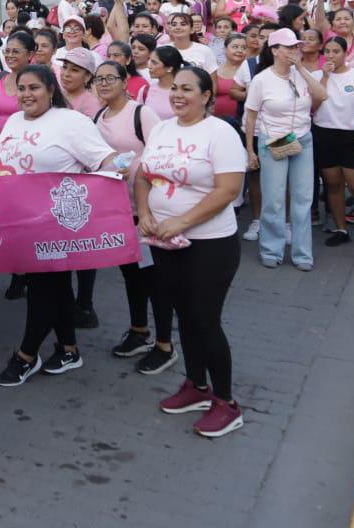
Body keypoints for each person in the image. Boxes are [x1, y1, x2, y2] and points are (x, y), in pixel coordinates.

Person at [136, 66, 247, 438]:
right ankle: (196, 386)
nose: (178, 94)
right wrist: (147, 214)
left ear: (206, 95)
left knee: (205, 320)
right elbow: (143, 176)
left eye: (187, 89)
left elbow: (227, 190)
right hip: (165, 242)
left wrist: (181, 222)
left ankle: (227, 403)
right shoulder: (163, 129)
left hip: (210, 245)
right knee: (184, 315)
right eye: (175, 88)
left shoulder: (220, 133)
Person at [0, 66, 117, 386]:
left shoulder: (70, 121)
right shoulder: (16, 121)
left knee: (43, 291)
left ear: (50, 89)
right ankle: (69, 349)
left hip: (56, 225)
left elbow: (106, 161)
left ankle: (26, 356)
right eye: (21, 88)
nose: (26, 94)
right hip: (19, 224)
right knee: (56, 288)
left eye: (34, 87)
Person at [92, 60, 176, 375]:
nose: (103, 84)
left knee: (155, 278)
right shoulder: (99, 117)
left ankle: (165, 344)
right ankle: (139, 330)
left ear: (125, 80)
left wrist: (137, 169)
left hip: (146, 210)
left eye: (110, 78)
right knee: (132, 274)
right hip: (117, 210)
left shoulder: (141, 114)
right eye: (98, 79)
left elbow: (161, 153)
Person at [242, 28, 327, 271]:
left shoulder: (301, 74)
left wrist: (301, 68)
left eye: (296, 47)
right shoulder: (262, 79)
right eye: (289, 47)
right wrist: (250, 150)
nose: (294, 51)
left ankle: (302, 253)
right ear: (275, 50)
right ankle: (271, 249)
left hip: (303, 138)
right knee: (274, 198)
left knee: (303, 197)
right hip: (273, 140)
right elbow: (251, 117)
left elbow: (322, 95)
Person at [313, 36, 354, 247]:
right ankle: (340, 229)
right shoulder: (317, 76)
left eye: (335, 51)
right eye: (327, 51)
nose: (330, 55)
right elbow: (314, 104)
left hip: (351, 135)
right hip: (324, 134)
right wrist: (325, 78)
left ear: (346, 53)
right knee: (333, 184)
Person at [0, 30, 34, 133]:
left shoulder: (38, 82)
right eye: (7, 51)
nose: (10, 55)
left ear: (30, 55)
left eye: (16, 51)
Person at [55, 45, 101, 117]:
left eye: (74, 70)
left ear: (87, 76)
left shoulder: (91, 105)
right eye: (64, 67)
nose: (66, 74)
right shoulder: (55, 95)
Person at [143, 46, 183, 119]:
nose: (149, 66)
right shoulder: (145, 90)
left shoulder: (185, 92)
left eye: (154, 62)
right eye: (150, 61)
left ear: (169, 68)